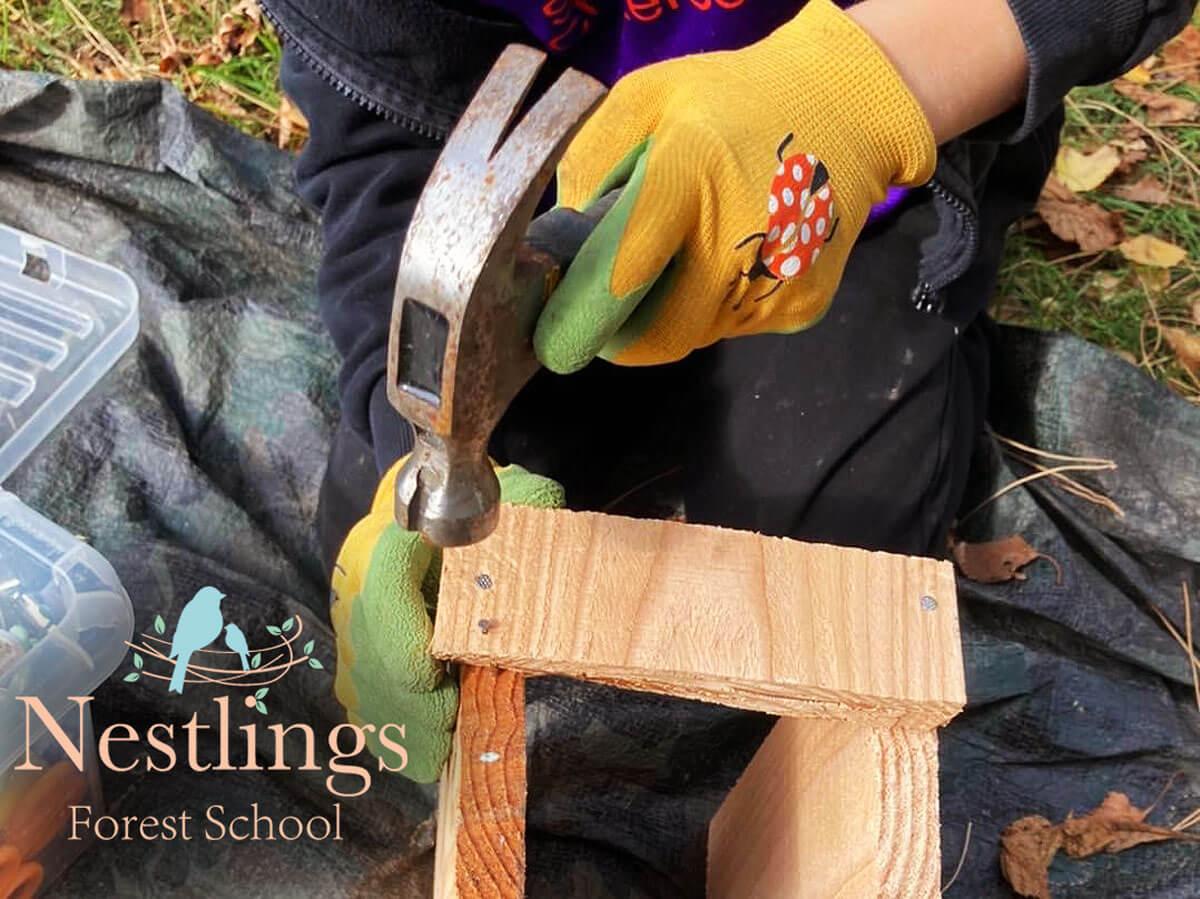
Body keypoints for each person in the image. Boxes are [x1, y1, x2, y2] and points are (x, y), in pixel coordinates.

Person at [258, 0, 1195, 890]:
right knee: (434, 583)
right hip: (543, 197)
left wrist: (870, 85)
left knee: (827, 561)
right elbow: (388, 152)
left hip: (863, 169)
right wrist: (410, 452)